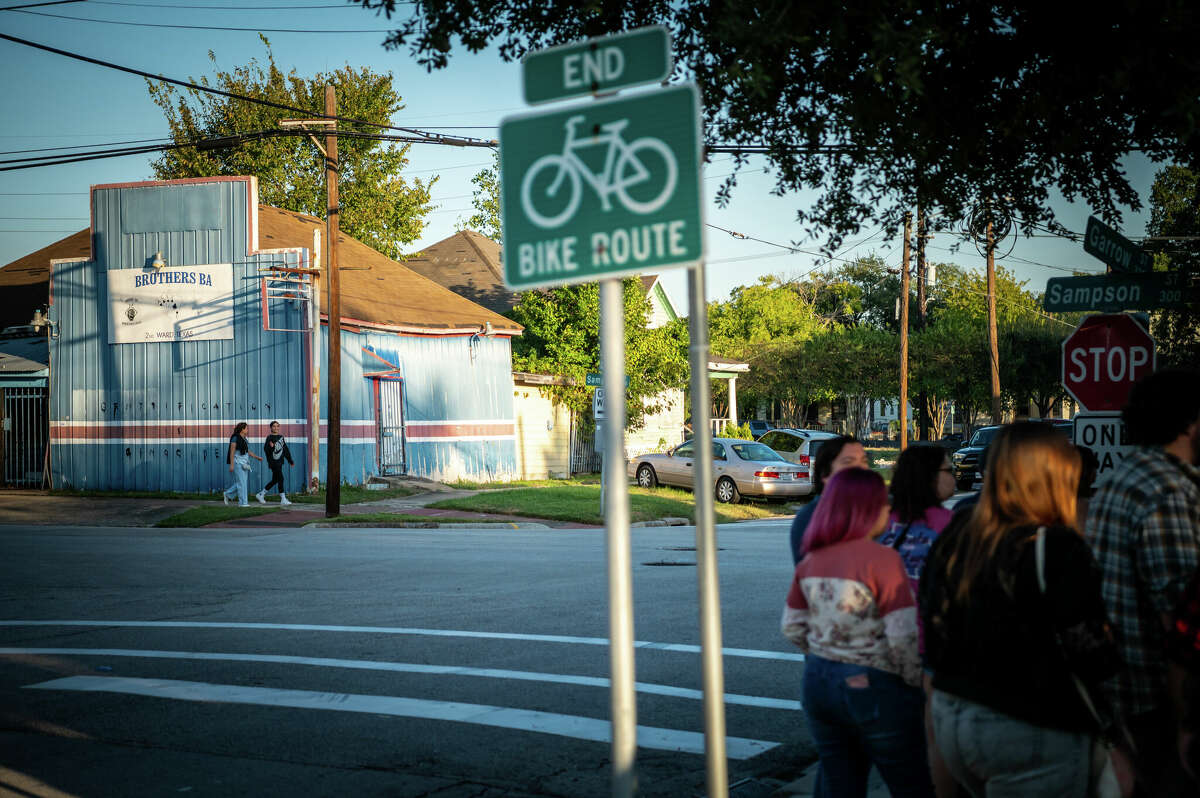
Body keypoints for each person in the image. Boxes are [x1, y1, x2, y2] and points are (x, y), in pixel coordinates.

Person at [919, 422, 1120, 797]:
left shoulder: (960, 530)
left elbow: (932, 631)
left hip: (955, 717)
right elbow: (1095, 655)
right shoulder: (1056, 546)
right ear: (1056, 474)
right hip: (1030, 724)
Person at [783, 467, 935, 798]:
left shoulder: (812, 559)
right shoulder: (882, 559)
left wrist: (830, 647)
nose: (889, 510)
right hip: (871, 683)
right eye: (884, 503)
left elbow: (792, 626)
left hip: (818, 684)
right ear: (866, 509)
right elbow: (902, 637)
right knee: (912, 783)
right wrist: (913, 683)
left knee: (840, 782)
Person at [1086, 369, 1200, 796]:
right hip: (1158, 704)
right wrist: (1189, 720)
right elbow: (1181, 621)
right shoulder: (1168, 490)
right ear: (1190, 422)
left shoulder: (1122, 476)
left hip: (1119, 695)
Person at [878, 444, 956, 594]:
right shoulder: (951, 523)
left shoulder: (880, 521)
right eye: (949, 470)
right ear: (929, 476)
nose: (953, 476)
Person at [789, 435, 869, 564]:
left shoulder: (877, 510)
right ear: (825, 474)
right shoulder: (809, 518)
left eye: (864, 461)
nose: (860, 469)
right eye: (848, 462)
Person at [222, 422, 263, 507]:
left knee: (242, 483)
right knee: (241, 483)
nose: (247, 430)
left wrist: (256, 457)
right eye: (246, 428)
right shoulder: (235, 438)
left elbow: (247, 451)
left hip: (245, 463)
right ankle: (242, 503)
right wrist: (232, 464)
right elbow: (232, 451)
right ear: (242, 429)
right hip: (237, 463)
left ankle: (228, 494)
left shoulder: (244, 439)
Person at [256, 420, 294, 506]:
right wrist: (272, 447)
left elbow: (285, 449)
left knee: (275, 480)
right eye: (274, 426)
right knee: (281, 478)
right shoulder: (269, 438)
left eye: (277, 426)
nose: (276, 428)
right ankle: (283, 499)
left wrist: (290, 460)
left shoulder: (281, 437)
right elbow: (266, 450)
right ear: (271, 428)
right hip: (273, 462)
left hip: (280, 461)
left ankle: (261, 494)